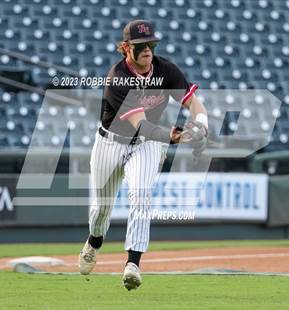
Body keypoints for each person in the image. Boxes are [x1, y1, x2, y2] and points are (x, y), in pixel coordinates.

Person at [78, 20, 208, 290]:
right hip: (111, 143)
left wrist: (202, 124)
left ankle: (133, 263)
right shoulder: (117, 78)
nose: (148, 49)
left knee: (141, 193)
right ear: (126, 48)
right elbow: (141, 124)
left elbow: (192, 102)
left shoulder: (165, 69)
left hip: (146, 145)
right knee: (101, 208)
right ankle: (95, 241)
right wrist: (171, 136)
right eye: (141, 45)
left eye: (151, 44)